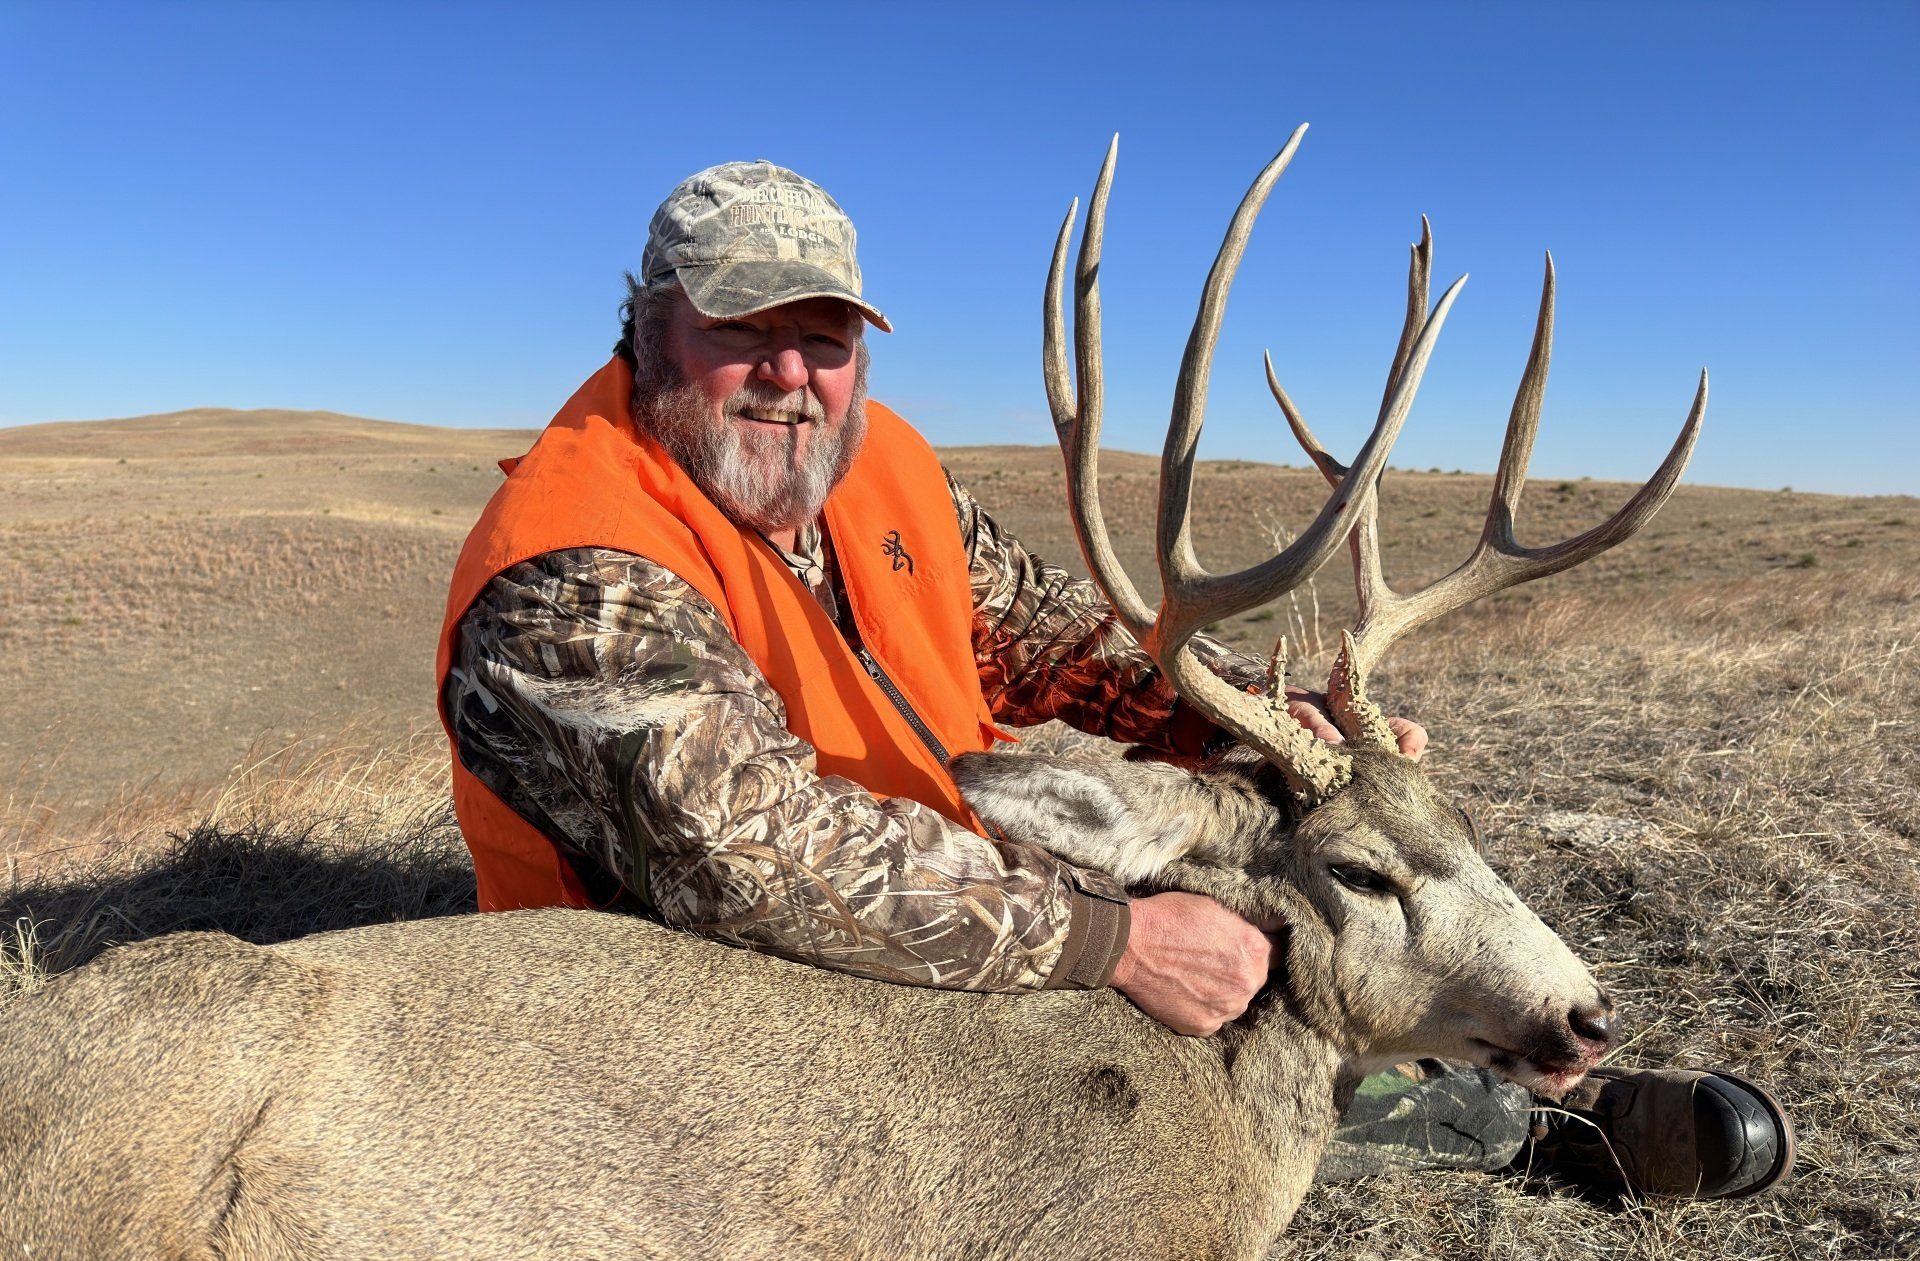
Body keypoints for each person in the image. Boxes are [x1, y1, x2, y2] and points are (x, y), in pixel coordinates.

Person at [435, 160, 1792, 1201]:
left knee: (1283, 912)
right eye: (744, 332)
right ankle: (1527, 1135)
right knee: (1153, 1018)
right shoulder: (575, 572)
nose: (792, 377)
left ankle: (1515, 1084)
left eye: (827, 337)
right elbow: (757, 868)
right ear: (651, 329)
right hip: (685, 1006)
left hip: (955, 886)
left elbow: (1045, 634)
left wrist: (1261, 736)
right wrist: (1109, 942)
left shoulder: (874, 461)